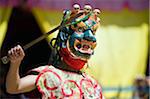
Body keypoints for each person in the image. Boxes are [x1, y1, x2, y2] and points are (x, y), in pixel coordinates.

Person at [6, 4, 104, 99]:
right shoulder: (47, 75)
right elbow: (14, 87)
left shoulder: (92, 84)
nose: (90, 37)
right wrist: (15, 63)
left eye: (93, 32)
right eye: (80, 29)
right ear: (65, 38)